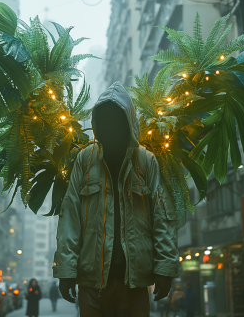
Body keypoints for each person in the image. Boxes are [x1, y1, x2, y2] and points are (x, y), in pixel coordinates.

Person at [53, 82, 179, 317]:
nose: (110, 127)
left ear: (128, 123)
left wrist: (165, 268)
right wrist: (66, 271)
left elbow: (163, 216)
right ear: (96, 124)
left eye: (116, 120)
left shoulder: (146, 161)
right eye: (105, 120)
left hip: (135, 281)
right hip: (92, 282)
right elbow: (70, 217)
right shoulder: (85, 160)